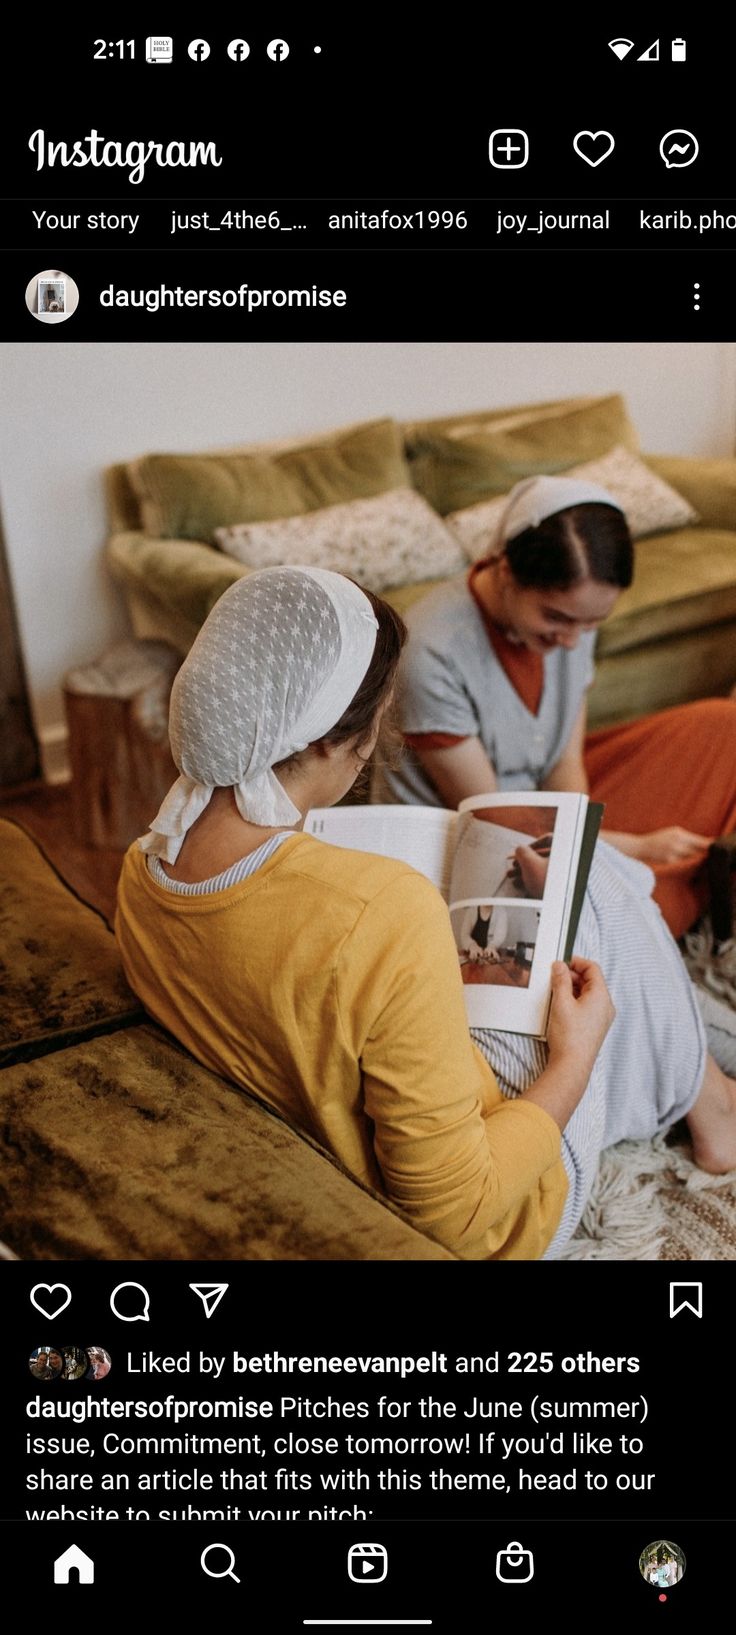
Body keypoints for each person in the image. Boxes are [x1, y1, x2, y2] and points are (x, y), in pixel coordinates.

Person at [115, 566, 736, 1262]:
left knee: (591, 875)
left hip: (349, 1115)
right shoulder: (380, 910)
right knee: (588, 883)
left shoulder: (144, 870)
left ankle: (710, 1072)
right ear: (329, 740)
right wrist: (575, 1056)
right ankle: (716, 1108)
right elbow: (461, 1216)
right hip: (507, 1223)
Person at [375, 474, 736, 946]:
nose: (571, 641)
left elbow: (565, 762)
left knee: (723, 727)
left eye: (591, 623)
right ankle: (688, 888)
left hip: (543, 812)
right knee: (625, 918)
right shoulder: (430, 652)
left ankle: (686, 882)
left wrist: (588, 834)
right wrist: (637, 848)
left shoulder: (573, 626)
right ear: (504, 570)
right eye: (556, 619)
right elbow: (500, 821)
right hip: (482, 839)